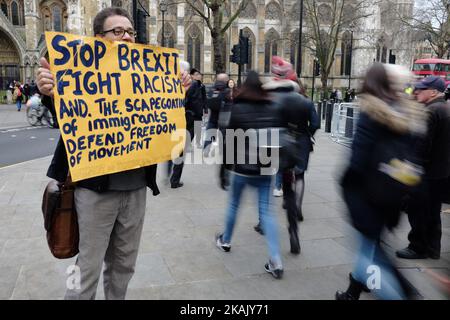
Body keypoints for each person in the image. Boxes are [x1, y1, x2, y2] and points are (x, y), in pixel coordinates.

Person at [36, 7, 191, 300]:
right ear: (98, 38)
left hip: (135, 190)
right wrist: (50, 93)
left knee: (124, 266)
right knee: (87, 267)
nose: (127, 37)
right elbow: (65, 118)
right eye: (118, 31)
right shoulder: (80, 74)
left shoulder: (146, 74)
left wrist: (176, 93)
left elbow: (164, 127)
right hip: (95, 191)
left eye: (130, 32)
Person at [335, 63, 427, 300]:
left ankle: (400, 295)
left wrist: (347, 185)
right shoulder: (408, 114)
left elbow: (358, 160)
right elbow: (412, 159)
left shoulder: (371, 113)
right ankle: (352, 293)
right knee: (370, 247)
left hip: (367, 196)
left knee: (370, 256)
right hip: (392, 196)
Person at [215, 71, 284, 279]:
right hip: (266, 166)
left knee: (235, 204)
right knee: (267, 211)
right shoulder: (272, 106)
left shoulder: (237, 108)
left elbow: (228, 142)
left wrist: (224, 170)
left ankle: (225, 241)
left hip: (243, 167)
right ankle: (275, 259)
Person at [261, 56, 320, 254]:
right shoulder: (303, 100)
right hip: (295, 145)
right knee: (293, 185)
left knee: (266, 186)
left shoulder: (268, 99)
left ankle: (263, 222)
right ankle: (293, 233)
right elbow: (316, 124)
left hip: (272, 147)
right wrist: (307, 134)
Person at [396, 76, 450, 260]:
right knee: (433, 211)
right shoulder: (445, 108)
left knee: (417, 210)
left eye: (422, 89)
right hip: (441, 172)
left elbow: (422, 146)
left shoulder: (430, 112)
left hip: (425, 173)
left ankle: (417, 247)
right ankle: (433, 248)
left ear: (434, 92)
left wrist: (411, 169)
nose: (417, 91)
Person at [169, 68, 206, 188]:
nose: (199, 76)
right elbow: (195, 102)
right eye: (197, 74)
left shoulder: (175, 84)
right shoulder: (194, 85)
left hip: (181, 118)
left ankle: (173, 176)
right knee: (182, 150)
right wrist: (199, 114)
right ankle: (174, 180)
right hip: (191, 119)